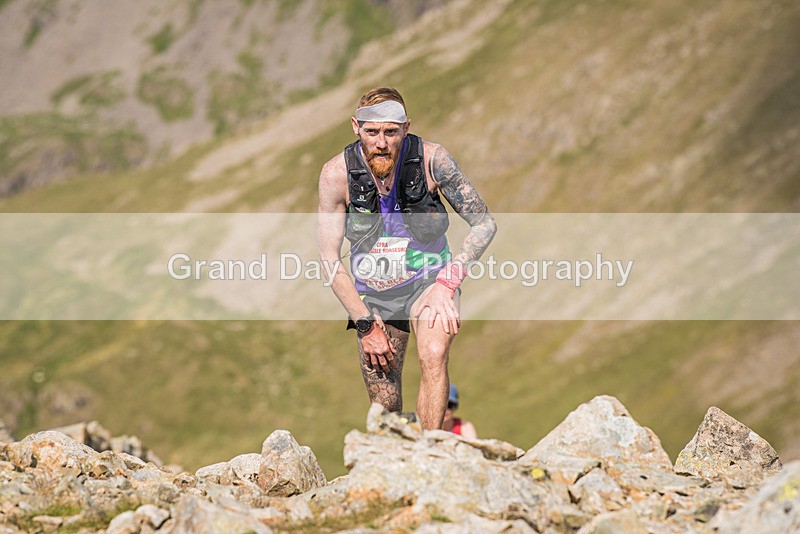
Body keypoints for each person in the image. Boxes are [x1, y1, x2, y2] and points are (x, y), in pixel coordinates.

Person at [317, 87, 496, 430]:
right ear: (356, 127)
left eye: (391, 132)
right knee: (385, 406)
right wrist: (365, 323)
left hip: (431, 283)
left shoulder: (432, 160)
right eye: (372, 132)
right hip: (377, 296)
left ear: (406, 127)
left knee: (433, 355)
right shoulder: (335, 175)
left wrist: (448, 283)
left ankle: (429, 456)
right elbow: (328, 258)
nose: (381, 142)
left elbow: (484, 222)